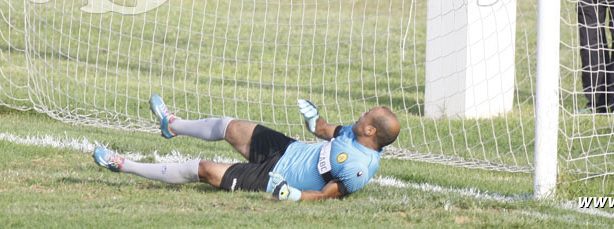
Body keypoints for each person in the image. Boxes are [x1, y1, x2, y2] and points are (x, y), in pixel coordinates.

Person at [93, 95, 400, 201]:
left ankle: (124, 165)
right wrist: (313, 119)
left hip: (276, 177)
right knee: (231, 126)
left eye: (365, 116)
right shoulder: (354, 134)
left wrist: (292, 196)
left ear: (371, 131)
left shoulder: (359, 168)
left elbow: (324, 195)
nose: (360, 115)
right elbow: (324, 130)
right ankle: (172, 124)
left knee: (204, 170)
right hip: (288, 150)